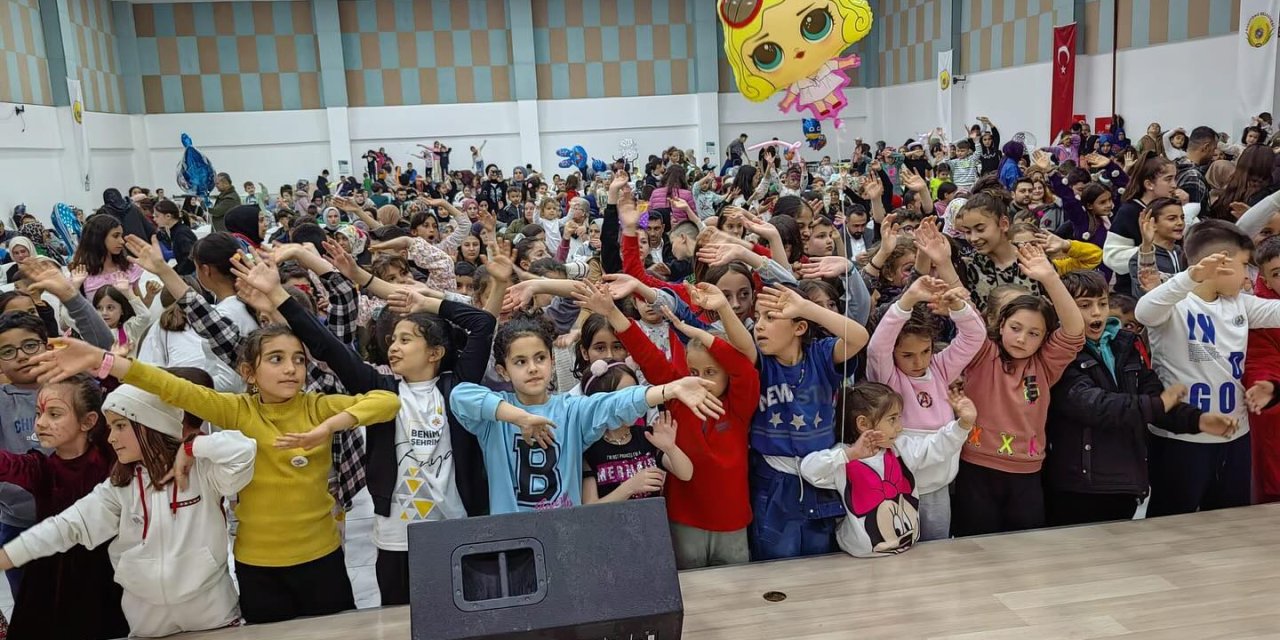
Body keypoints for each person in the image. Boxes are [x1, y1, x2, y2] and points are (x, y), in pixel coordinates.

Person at [28, 333, 400, 625]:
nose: (291, 369)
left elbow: (387, 402)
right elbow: (172, 387)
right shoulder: (236, 410)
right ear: (248, 373)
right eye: (276, 359)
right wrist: (103, 361)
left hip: (322, 560)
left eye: (298, 360)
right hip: (258, 568)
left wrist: (329, 427)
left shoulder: (318, 406)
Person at [273, 278, 494, 606]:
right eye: (392, 340)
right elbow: (328, 347)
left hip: (457, 525)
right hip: (397, 533)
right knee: (399, 616)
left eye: (406, 340)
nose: (394, 346)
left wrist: (426, 303)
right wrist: (278, 295)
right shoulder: (382, 389)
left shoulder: (459, 387)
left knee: (465, 611)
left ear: (435, 352)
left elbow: (483, 323)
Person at [0, 384, 255, 637]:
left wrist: (190, 448)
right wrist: (9, 555)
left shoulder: (202, 471)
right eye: (110, 428)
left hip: (212, 615)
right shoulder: (118, 486)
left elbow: (242, 451)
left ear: (151, 424)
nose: (111, 438)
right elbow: (68, 525)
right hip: (147, 623)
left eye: (120, 426)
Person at [450, 317, 725, 514]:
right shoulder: (494, 416)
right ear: (502, 371)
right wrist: (519, 417)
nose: (533, 368)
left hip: (566, 531)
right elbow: (460, 396)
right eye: (520, 362)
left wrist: (670, 389)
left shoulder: (572, 409)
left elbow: (616, 402)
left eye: (540, 358)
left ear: (552, 360)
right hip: (512, 535)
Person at [1044, 271, 1229, 526]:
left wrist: (1198, 421)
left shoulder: (1125, 344)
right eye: (1084, 306)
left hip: (1126, 481)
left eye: (1102, 303)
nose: (1097, 313)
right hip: (1079, 486)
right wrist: (1159, 404)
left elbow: (1154, 395)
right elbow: (1094, 405)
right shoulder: (1059, 355)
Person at [1137, 220, 1280, 517]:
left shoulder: (1241, 304)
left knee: (1231, 520)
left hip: (1235, 437)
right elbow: (1144, 311)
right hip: (1181, 440)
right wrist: (1191, 276)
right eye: (1244, 265)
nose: (1247, 278)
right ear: (1222, 265)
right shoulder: (1175, 303)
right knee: (1171, 523)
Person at [952, 243, 1085, 536]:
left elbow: (1075, 331)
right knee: (975, 547)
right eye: (1015, 328)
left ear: (1044, 339)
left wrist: (1050, 278)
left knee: (1025, 551)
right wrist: (941, 260)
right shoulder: (982, 353)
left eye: (1034, 333)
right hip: (976, 470)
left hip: (1027, 475)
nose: (1022, 338)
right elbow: (965, 311)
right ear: (1000, 326)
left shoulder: (1045, 366)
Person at [0, 373, 128, 640]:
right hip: (51, 576)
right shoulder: (40, 469)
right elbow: (6, 464)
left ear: (89, 421)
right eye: (38, 414)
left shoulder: (111, 458)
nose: (41, 424)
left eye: (54, 414)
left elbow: (122, 392)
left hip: (107, 572)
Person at [866, 276, 983, 540]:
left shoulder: (940, 368)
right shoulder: (888, 378)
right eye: (907, 355)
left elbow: (975, 337)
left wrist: (959, 309)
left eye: (926, 351)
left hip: (938, 486)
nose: (919, 361)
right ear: (894, 353)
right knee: (900, 549)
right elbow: (877, 348)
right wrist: (907, 300)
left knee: (937, 551)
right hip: (899, 488)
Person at [800, 383, 975, 557]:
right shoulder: (843, 456)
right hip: (859, 562)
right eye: (892, 419)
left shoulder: (899, 448)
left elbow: (934, 447)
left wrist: (963, 424)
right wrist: (848, 454)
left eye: (899, 418)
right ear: (863, 423)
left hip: (908, 553)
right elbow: (809, 470)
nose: (899, 427)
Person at [69, 214, 145, 300]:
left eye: (121, 236)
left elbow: (142, 309)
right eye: (115, 236)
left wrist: (150, 296)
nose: (122, 241)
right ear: (98, 237)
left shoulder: (128, 268)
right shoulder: (80, 274)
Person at [153, 199, 198, 276]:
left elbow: (190, 258)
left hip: (193, 274)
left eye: (157, 216)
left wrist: (177, 273)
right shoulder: (175, 231)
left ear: (168, 216)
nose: (154, 219)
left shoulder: (181, 233)